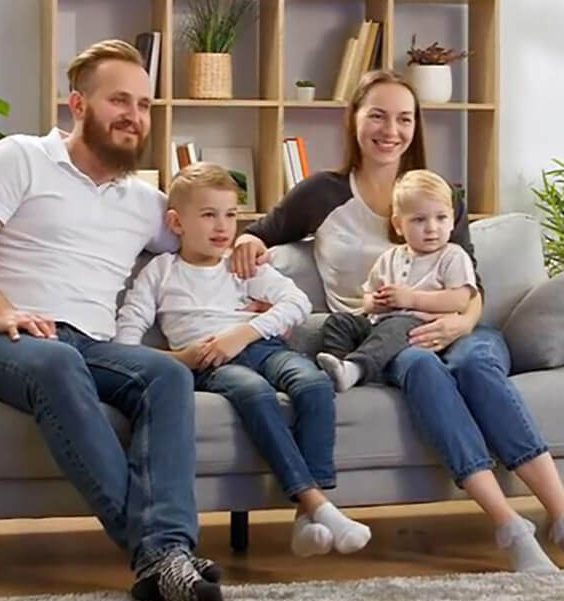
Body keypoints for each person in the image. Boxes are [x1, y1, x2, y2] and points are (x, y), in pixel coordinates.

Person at [231, 69, 564, 573]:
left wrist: (461, 323)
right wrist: (247, 242)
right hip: (389, 341)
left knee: (476, 366)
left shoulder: (440, 193)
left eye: (404, 118)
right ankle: (508, 524)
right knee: (423, 369)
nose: (391, 130)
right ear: (355, 121)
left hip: (463, 328)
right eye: (378, 115)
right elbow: (258, 232)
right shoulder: (321, 193)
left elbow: (471, 286)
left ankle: (559, 512)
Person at [0, 40, 225, 601]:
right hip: (3, 342)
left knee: (166, 377)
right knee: (58, 360)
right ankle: (159, 554)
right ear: (77, 105)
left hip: (88, 343)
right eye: (120, 100)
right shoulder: (19, 157)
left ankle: (164, 552)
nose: (134, 116)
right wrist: (0, 311)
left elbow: (202, 240)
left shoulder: (145, 201)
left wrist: (247, 247)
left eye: (143, 105)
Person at [116, 162, 372, 558]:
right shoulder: (160, 273)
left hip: (261, 345)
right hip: (211, 361)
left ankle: (308, 518)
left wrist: (245, 332)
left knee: (314, 384)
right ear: (176, 222)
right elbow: (126, 340)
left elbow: (297, 303)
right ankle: (317, 506)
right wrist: (178, 359)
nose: (222, 227)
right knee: (254, 394)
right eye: (208, 215)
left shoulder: (241, 264)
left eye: (231, 215)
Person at [317, 169, 477, 392]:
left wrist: (411, 299)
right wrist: (376, 302)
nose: (432, 228)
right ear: (398, 225)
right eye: (419, 220)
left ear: (452, 220)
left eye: (441, 218)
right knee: (340, 322)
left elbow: (459, 301)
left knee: (396, 326)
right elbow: (367, 298)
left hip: (422, 328)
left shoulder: (452, 256)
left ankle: (357, 368)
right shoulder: (390, 257)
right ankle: (339, 370)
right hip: (380, 324)